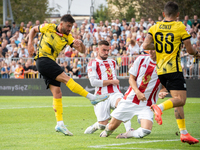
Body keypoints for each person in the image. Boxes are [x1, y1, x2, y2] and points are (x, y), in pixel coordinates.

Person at [28, 14, 109, 136]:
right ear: (61, 24)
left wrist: (80, 44)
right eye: (68, 26)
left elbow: (82, 51)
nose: (70, 28)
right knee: (66, 79)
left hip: (49, 61)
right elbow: (33, 29)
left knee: (57, 93)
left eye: (71, 26)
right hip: (43, 59)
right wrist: (30, 43)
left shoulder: (68, 37)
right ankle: (92, 98)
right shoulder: (49, 27)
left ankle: (60, 124)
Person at [142, 1, 199, 144]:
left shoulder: (155, 27)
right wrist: (197, 53)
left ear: (163, 14)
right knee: (181, 100)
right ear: (178, 14)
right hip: (173, 69)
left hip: (161, 70)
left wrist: (160, 45)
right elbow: (190, 50)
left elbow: (145, 45)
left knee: (176, 102)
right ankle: (159, 107)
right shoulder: (180, 26)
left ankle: (184, 133)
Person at [100, 50, 168, 138]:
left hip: (147, 104)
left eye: (153, 50)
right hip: (130, 100)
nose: (150, 52)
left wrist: (162, 92)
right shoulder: (141, 59)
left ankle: (128, 134)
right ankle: (102, 128)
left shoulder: (165, 65)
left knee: (146, 130)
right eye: (149, 49)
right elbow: (131, 78)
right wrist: (138, 92)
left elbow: (164, 86)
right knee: (110, 128)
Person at [84, 40, 131, 134]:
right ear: (97, 49)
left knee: (123, 105)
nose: (106, 52)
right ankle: (95, 126)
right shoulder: (92, 63)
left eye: (107, 50)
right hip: (101, 96)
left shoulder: (113, 62)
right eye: (103, 50)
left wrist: (113, 82)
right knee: (102, 125)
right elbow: (93, 82)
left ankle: (129, 130)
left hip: (115, 93)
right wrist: (111, 81)